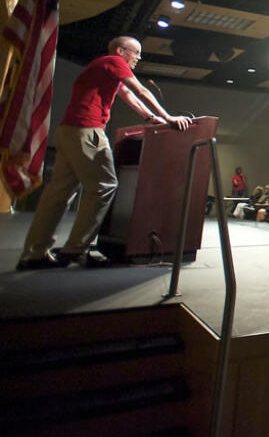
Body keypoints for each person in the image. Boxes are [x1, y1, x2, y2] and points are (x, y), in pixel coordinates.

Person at [17, 36, 191, 269]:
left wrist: (152, 118)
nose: (139, 57)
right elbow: (138, 90)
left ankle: (34, 253)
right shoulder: (113, 61)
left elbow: (127, 95)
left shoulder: (102, 67)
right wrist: (169, 118)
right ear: (121, 51)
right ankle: (76, 250)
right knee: (104, 187)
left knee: (58, 193)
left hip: (70, 130)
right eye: (135, 52)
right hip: (88, 130)